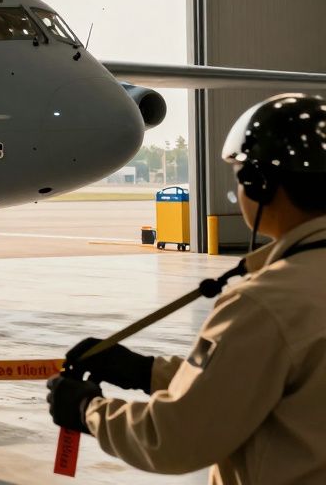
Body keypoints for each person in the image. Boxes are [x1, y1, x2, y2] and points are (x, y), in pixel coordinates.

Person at [47, 93, 326, 483]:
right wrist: (147, 373)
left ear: (260, 184)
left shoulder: (265, 304)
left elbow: (175, 438)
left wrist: (88, 411)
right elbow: (242, 384)